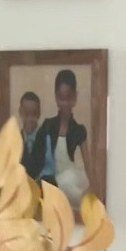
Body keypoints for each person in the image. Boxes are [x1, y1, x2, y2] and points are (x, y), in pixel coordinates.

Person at [37, 69, 92, 214]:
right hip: (55, 180)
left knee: (69, 178)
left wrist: (94, 187)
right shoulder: (48, 126)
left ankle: (79, 201)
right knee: (57, 183)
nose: (65, 103)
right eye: (61, 98)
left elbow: (88, 165)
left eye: (69, 98)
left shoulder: (79, 130)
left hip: (73, 179)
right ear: (56, 97)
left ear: (75, 97)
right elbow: (38, 157)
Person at [17, 90, 56, 183]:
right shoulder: (16, 139)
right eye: (26, 114)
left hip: (41, 182)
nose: (30, 119)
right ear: (20, 113)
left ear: (39, 114)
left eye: (34, 114)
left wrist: (38, 180)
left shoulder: (45, 137)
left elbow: (50, 167)